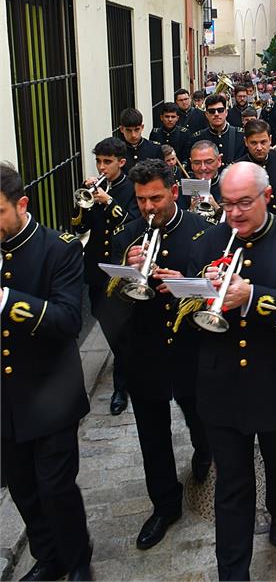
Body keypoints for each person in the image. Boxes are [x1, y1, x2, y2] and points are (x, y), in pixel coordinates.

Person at [184, 162, 276, 581]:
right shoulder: (208, 239)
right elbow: (187, 309)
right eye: (227, 204)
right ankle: (233, 572)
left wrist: (252, 296)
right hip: (222, 381)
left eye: (244, 202)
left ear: (266, 197)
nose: (235, 213)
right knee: (232, 484)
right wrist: (197, 289)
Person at [110, 160, 212, 550]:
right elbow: (112, 299)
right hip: (145, 348)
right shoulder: (127, 236)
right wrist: (126, 270)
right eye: (140, 200)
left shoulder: (204, 230)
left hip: (191, 346)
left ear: (173, 191)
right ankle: (164, 505)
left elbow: (214, 287)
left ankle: (204, 455)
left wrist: (182, 282)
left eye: (155, 197)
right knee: (151, 435)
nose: (148, 207)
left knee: (199, 415)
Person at [0, 163, 93, 581]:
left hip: (51, 390)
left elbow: (67, 320)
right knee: (22, 487)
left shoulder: (59, 248)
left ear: (22, 203)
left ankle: (77, 559)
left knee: (56, 488)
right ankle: (47, 554)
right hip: (5, 396)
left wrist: (7, 299)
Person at [71, 137, 139, 415]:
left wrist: (108, 200)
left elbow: (133, 223)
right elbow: (77, 226)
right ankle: (128, 365)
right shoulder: (93, 190)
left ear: (120, 163)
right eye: (98, 161)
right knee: (109, 326)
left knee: (122, 329)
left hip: (122, 268)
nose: (101, 167)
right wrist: (83, 205)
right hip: (97, 270)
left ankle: (121, 387)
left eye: (107, 162)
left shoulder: (131, 188)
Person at [238, 119, 276, 217]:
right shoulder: (238, 168)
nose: (259, 147)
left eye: (263, 142)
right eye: (253, 143)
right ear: (246, 142)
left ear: (270, 140)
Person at [192, 94, 247, 167]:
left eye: (220, 110)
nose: (216, 114)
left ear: (226, 112)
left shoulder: (240, 135)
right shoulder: (198, 138)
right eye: (212, 111)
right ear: (206, 114)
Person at [161, 145, 189, 209]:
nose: (172, 162)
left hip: (182, 202)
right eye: (168, 160)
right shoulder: (160, 175)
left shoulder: (179, 170)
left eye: (173, 159)